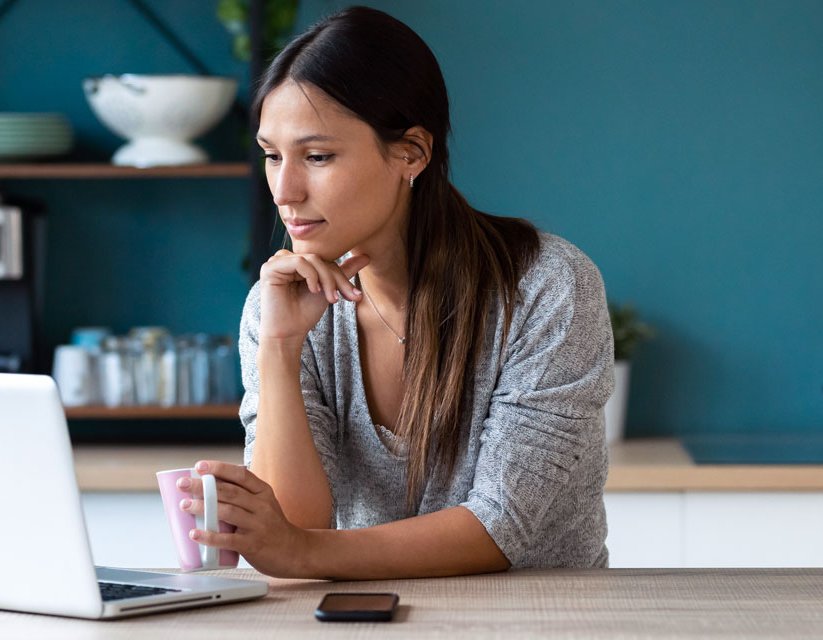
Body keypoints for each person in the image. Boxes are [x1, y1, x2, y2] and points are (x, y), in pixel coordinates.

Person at [174, 5, 614, 579]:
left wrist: (301, 551)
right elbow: (295, 524)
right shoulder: (277, 305)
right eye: (272, 156)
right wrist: (280, 347)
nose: (284, 190)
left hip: (541, 617)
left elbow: (500, 526)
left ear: (411, 153)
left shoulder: (547, 286)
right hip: (366, 614)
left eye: (317, 156)